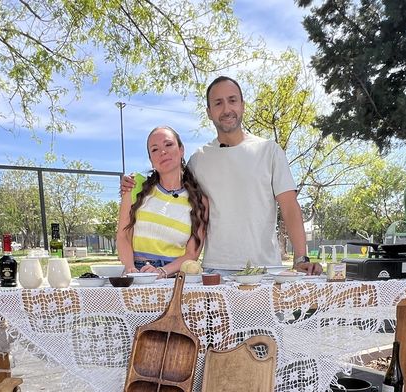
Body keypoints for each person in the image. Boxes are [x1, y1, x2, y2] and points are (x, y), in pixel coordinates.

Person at [123, 76, 320, 275]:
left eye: (232, 100)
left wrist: (301, 258)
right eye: (218, 103)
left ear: (242, 105)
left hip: (265, 268)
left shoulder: (269, 151)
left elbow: (290, 208)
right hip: (214, 270)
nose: (226, 109)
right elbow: (168, 182)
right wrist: (130, 183)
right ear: (209, 112)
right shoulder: (199, 159)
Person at [116, 126, 210, 277]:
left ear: (181, 150)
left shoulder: (199, 200)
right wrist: (131, 270)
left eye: (168, 145)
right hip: (136, 274)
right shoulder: (135, 186)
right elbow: (123, 236)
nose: (162, 152)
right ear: (151, 160)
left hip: (174, 276)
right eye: (155, 149)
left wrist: (162, 271)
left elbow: (192, 253)